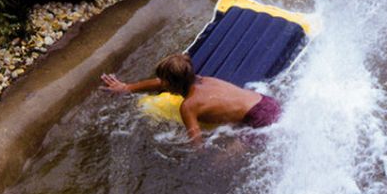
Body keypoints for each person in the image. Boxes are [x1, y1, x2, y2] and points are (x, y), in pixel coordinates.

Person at [100, 53, 281, 146]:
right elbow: (158, 83)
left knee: (219, 164)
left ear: (172, 83)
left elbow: (196, 143)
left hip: (260, 120)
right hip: (267, 102)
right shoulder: (204, 80)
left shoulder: (189, 106)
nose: (160, 83)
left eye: (164, 80)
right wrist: (127, 87)